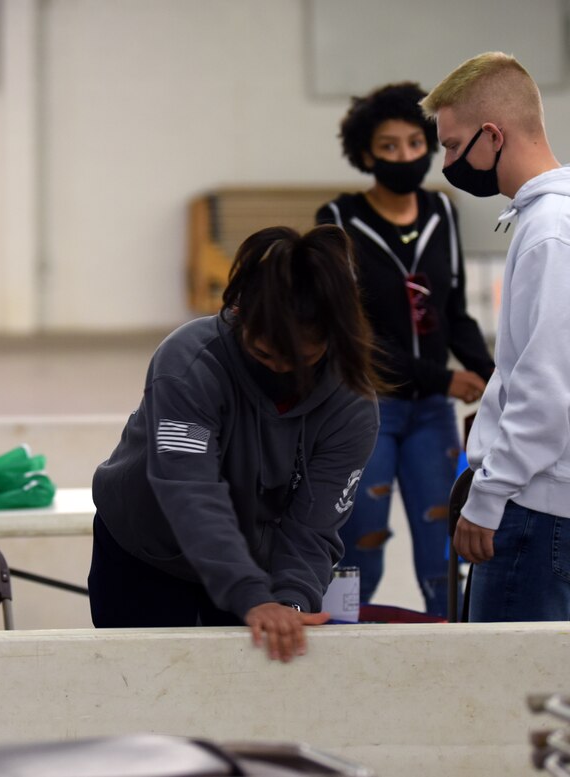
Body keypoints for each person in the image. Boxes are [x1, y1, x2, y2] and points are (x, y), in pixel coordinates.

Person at [89, 225, 380, 662]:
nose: (283, 371)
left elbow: (314, 527)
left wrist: (290, 603)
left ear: (333, 339)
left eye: (301, 359)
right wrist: (249, 595)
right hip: (146, 549)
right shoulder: (189, 361)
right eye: (265, 355)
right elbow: (188, 492)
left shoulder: (352, 402)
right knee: (144, 696)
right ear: (240, 312)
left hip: (254, 563)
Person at [315, 83, 494, 618]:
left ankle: (452, 658)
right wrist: (442, 379)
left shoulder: (443, 211)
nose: (405, 156)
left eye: (416, 143)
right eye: (388, 147)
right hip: (363, 408)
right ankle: (338, 650)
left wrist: (493, 374)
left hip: (431, 417)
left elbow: (454, 313)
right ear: (365, 153)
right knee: (359, 547)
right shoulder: (339, 219)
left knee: (444, 549)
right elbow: (348, 332)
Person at [422, 52, 570, 622]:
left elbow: (544, 391)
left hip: (533, 509)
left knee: (506, 704)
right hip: (539, 502)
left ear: (493, 135)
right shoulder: (548, 221)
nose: (448, 164)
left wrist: (487, 499)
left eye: (454, 147)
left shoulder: (549, 233)